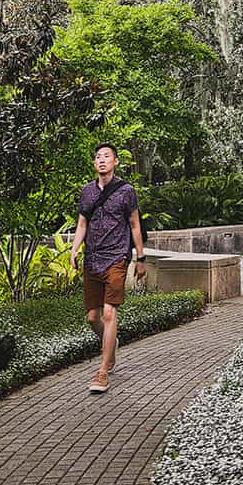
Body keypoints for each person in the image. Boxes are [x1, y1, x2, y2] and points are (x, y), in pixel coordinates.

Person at [70, 142, 147, 394]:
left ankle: (103, 371)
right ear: (95, 164)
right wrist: (74, 249)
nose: (102, 160)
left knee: (109, 313)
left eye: (106, 156)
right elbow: (82, 223)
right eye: (98, 157)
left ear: (115, 162)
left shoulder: (126, 191)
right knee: (92, 317)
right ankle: (110, 343)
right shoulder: (87, 192)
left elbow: (135, 225)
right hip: (92, 258)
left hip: (117, 257)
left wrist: (140, 258)